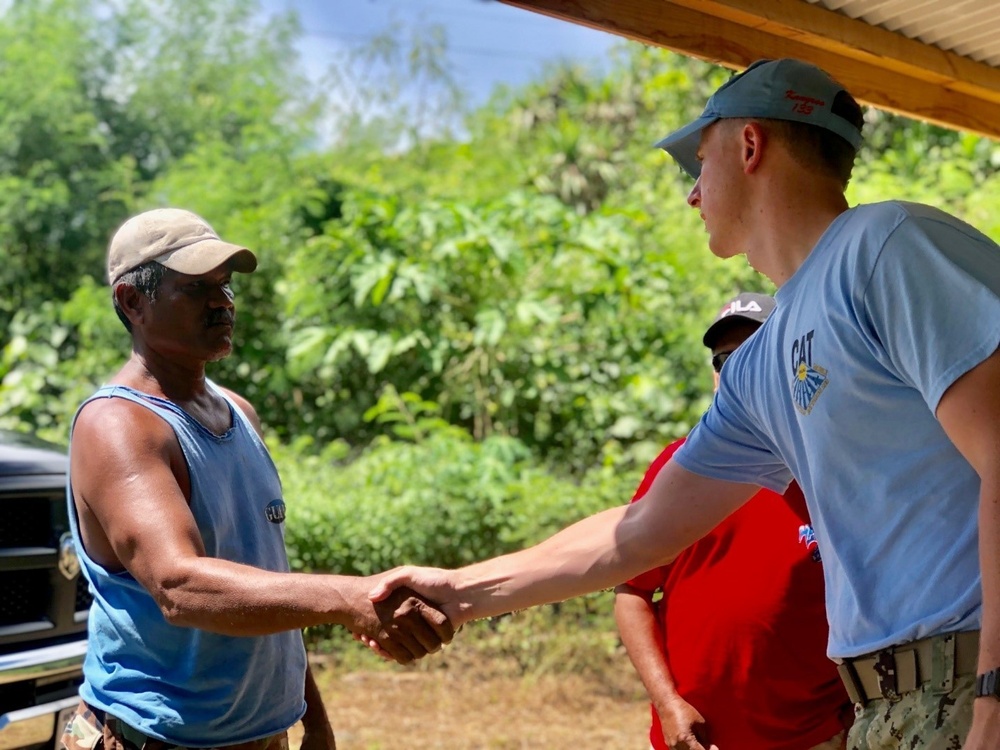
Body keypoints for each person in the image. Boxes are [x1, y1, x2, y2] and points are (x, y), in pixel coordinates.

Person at [368, 58, 1000, 750]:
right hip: (894, 707)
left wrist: (994, 698)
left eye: (699, 163)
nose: (693, 195)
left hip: (970, 687)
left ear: (749, 146)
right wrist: (458, 590)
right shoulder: (764, 357)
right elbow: (640, 532)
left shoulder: (888, 249)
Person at [62, 208, 454, 750]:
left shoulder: (238, 413)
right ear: (133, 302)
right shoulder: (118, 425)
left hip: (262, 732)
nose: (223, 303)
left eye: (224, 286)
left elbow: (264, 573)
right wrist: (348, 596)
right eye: (197, 289)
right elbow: (181, 586)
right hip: (157, 738)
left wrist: (310, 714)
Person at [615, 292, 849, 750]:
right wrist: (668, 704)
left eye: (752, 355)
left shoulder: (834, 467)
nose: (735, 372)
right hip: (700, 738)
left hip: (818, 735)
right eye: (724, 361)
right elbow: (633, 591)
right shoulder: (679, 470)